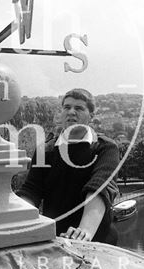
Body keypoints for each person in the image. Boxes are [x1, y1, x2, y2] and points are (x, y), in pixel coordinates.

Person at [17, 89, 119, 244]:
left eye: (79, 108)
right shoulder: (45, 150)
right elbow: (31, 191)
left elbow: (99, 188)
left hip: (97, 241)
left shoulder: (105, 148)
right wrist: (17, 221)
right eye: (67, 107)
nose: (71, 112)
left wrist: (84, 231)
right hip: (54, 240)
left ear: (91, 116)